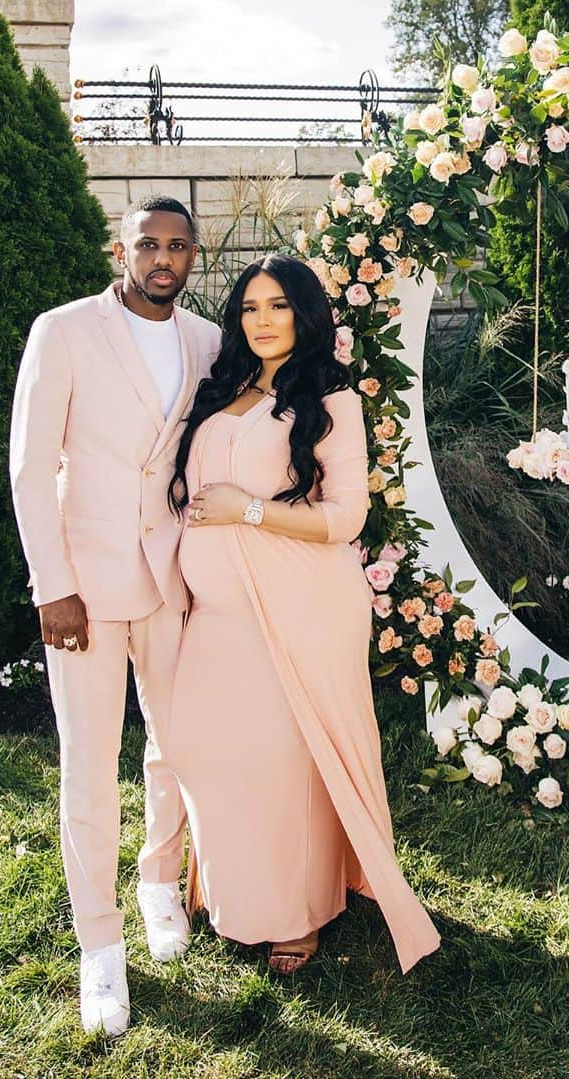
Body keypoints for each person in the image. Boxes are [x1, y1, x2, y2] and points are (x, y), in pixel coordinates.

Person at [162, 254, 440, 975]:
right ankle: (231, 891)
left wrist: (248, 511)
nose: (261, 321)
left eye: (278, 306)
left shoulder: (330, 398)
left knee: (283, 762)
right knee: (210, 749)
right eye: (249, 307)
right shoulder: (220, 388)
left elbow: (347, 516)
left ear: (305, 314)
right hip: (215, 614)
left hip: (297, 604)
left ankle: (297, 911)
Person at [9, 195, 222, 1036]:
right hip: (85, 591)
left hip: (175, 579)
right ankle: (100, 946)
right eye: (148, 244)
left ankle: (158, 883)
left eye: (178, 246)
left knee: (177, 745)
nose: (163, 258)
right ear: (120, 248)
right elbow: (30, 467)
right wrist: (49, 582)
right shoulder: (60, 331)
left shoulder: (207, 341)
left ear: (193, 256)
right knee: (89, 763)